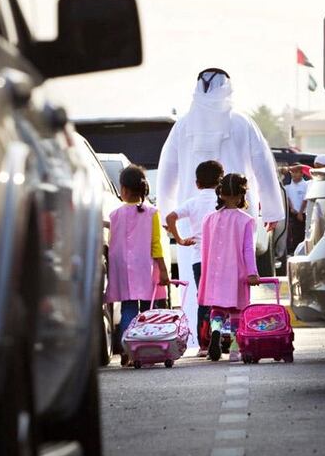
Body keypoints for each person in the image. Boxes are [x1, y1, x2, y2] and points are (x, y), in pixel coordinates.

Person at [156, 68, 285, 348]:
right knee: (238, 274)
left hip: (196, 219)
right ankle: (237, 335)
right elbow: (263, 166)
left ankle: (197, 336)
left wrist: (166, 212)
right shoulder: (242, 123)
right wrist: (272, 210)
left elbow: (167, 170)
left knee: (198, 281)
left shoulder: (183, 126)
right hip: (239, 214)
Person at [105, 165, 171, 367]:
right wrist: (163, 270)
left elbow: (111, 242)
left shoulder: (114, 214)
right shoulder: (152, 213)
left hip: (122, 269)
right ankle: (146, 347)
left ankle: (127, 349)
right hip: (145, 268)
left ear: (123, 190)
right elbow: (156, 245)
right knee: (148, 310)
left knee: (128, 309)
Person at [197, 173, 261, 362]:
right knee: (236, 312)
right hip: (237, 273)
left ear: (221, 194)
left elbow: (205, 249)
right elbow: (248, 250)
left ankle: (215, 332)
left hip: (215, 273)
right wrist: (252, 273)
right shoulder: (245, 220)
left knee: (217, 309)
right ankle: (234, 349)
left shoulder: (209, 219)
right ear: (241, 195)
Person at [164, 160, 225, 357]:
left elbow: (170, 217)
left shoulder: (193, 203)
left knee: (204, 301)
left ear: (197, 183)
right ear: (221, 181)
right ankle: (223, 336)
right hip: (223, 260)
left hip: (200, 260)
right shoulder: (222, 203)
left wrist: (180, 240)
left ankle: (204, 345)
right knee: (224, 301)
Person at [284, 163, 308, 255]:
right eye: (292, 172)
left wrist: (300, 213)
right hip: (293, 215)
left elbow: (305, 199)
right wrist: (292, 208)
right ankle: (293, 251)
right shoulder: (288, 187)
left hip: (303, 215)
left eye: (296, 172)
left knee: (302, 234)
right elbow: (288, 198)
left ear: (301, 173)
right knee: (293, 234)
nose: (294, 174)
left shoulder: (306, 185)